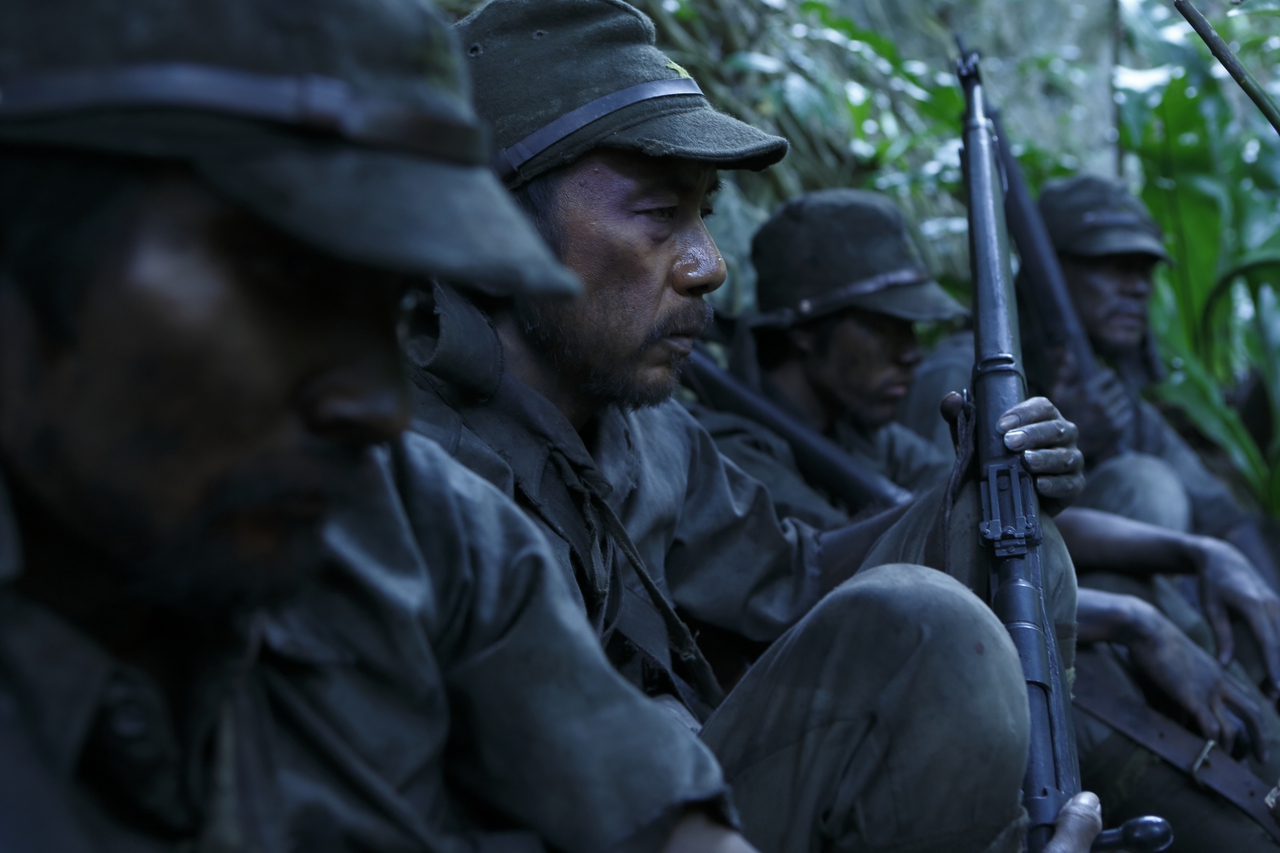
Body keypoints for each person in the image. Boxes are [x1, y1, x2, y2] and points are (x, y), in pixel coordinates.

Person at [0, 0, 789, 849]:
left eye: (395, 308)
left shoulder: (420, 519)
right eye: (286, 283)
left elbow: (668, 818)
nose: (375, 404)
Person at [409, 1, 1101, 850]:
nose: (708, 264)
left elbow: (797, 577)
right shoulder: (403, 469)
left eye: (703, 213)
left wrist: (973, 486)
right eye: (660, 217)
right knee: (932, 624)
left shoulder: (645, 435)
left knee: (1011, 541)